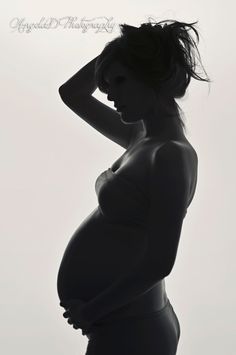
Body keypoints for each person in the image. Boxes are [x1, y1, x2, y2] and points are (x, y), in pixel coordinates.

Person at [57, 19, 211, 355]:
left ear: (152, 75)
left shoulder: (170, 155)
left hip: (134, 327)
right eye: (107, 83)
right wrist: (117, 52)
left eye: (120, 81)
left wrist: (93, 310)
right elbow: (72, 93)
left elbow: (159, 262)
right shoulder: (139, 138)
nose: (110, 94)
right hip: (125, 322)